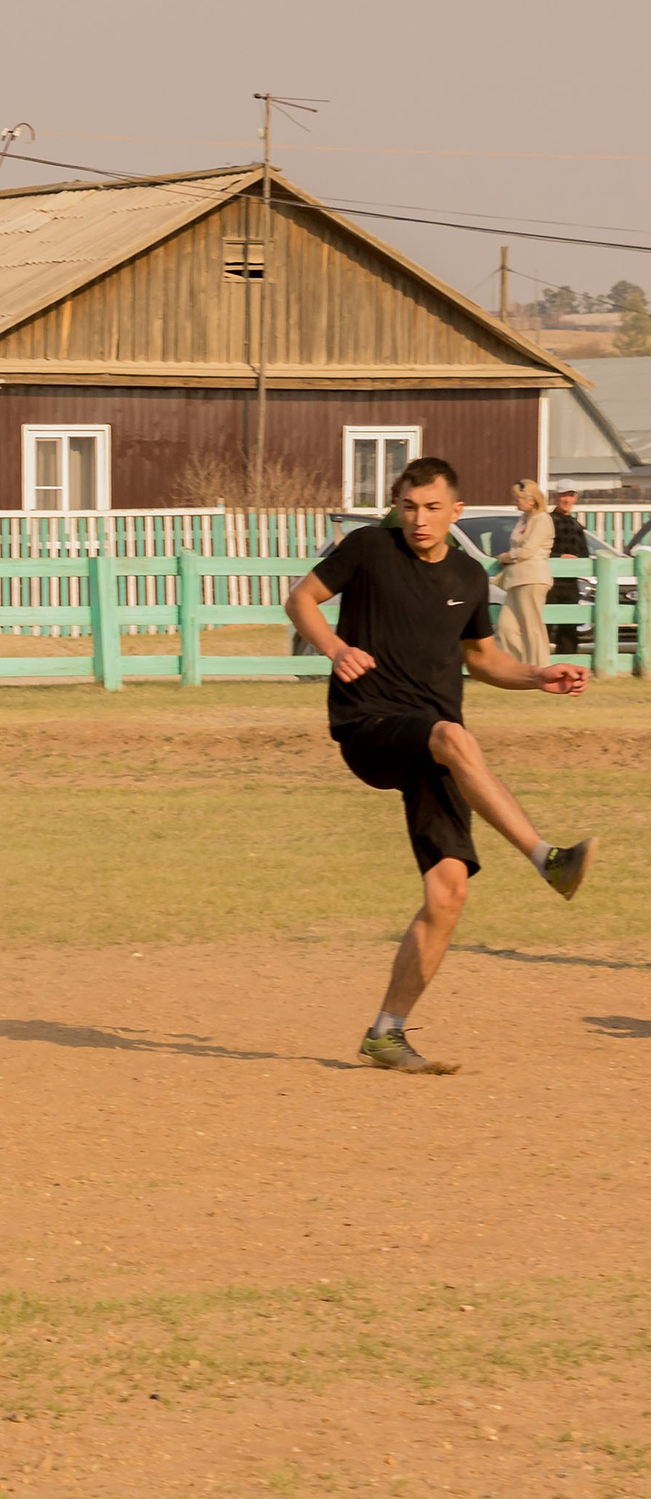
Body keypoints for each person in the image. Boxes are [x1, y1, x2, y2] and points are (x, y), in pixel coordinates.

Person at [285, 456, 596, 1076]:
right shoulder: (369, 549)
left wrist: (536, 674)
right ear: (396, 506)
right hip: (369, 723)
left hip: (433, 739)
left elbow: (482, 660)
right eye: (408, 507)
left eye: (431, 509)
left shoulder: (468, 575)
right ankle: (547, 858)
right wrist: (336, 646)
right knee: (454, 736)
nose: (419, 520)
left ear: (456, 511)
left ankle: (386, 1034)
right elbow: (302, 598)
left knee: (448, 892)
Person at [493, 480, 554, 666]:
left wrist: (506, 557)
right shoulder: (524, 519)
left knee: (531, 626)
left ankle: (540, 668)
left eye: (519, 498)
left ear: (532, 499)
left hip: (533, 578)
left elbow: (527, 551)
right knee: (505, 627)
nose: (516, 502)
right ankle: (520, 668)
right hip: (515, 579)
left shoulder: (542, 519)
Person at [547, 484, 589, 657]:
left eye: (570, 495)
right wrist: (559, 556)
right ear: (556, 497)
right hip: (549, 580)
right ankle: (541, 664)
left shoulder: (576, 525)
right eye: (563, 495)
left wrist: (578, 560)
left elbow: (584, 552)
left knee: (569, 625)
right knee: (545, 623)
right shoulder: (547, 521)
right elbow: (541, 549)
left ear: (575, 499)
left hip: (570, 582)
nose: (566, 499)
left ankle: (569, 662)